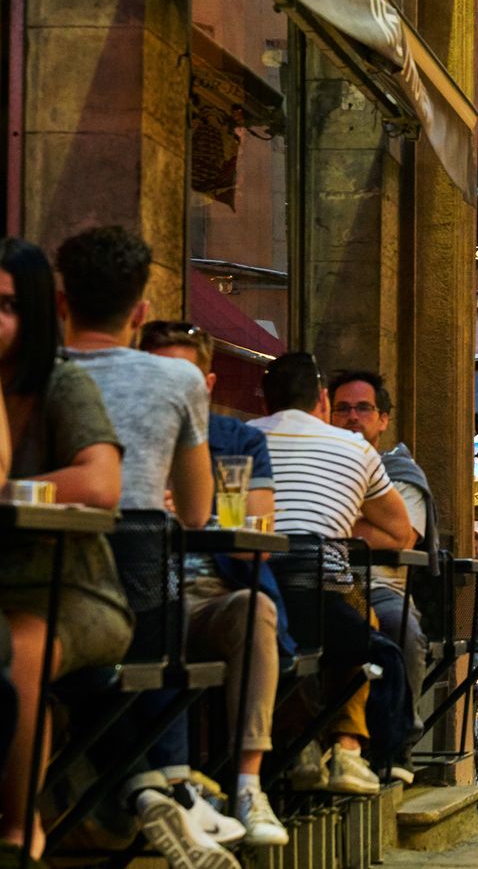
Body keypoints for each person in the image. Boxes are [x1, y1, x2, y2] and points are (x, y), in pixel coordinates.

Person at [55, 226, 248, 860]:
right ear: (140, 312)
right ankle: (166, 786)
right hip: (139, 577)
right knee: (157, 638)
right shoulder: (179, 381)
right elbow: (195, 511)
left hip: (47, 573)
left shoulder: (35, 372)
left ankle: (152, 789)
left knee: (82, 666)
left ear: (61, 303)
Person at [0, 237, 131, 862]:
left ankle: (20, 828)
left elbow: (101, 483)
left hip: (76, 593)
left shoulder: (61, 383)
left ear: (37, 311)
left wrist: (11, 491)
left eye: (6, 305)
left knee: (20, 650)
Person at [139, 321, 291, 845]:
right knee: (159, 613)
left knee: (256, 610)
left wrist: (194, 511)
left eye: (181, 376)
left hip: (215, 592)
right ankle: (175, 789)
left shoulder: (238, 440)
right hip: (147, 590)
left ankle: (249, 787)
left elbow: (258, 534)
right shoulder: (130, 435)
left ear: (205, 383)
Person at [252, 352, 413, 795]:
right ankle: (347, 749)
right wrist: (338, 526)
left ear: (265, 403)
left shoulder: (240, 437)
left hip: (253, 581)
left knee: (285, 639)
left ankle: (297, 744)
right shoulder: (356, 449)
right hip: (326, 580)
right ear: (322, 400)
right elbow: (401, 534)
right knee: (365, 628)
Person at [328, 370, 435, 782]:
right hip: (324, 582)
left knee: (401, 628)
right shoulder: (319, 459)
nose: (352, 416)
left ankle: (397, 747)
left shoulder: (400, 470)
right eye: (343, 408)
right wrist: (368, 520)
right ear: (327, 412)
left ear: (383, 418)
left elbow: (404, 537)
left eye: (363, 408)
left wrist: (337, 517)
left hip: (381, 588)